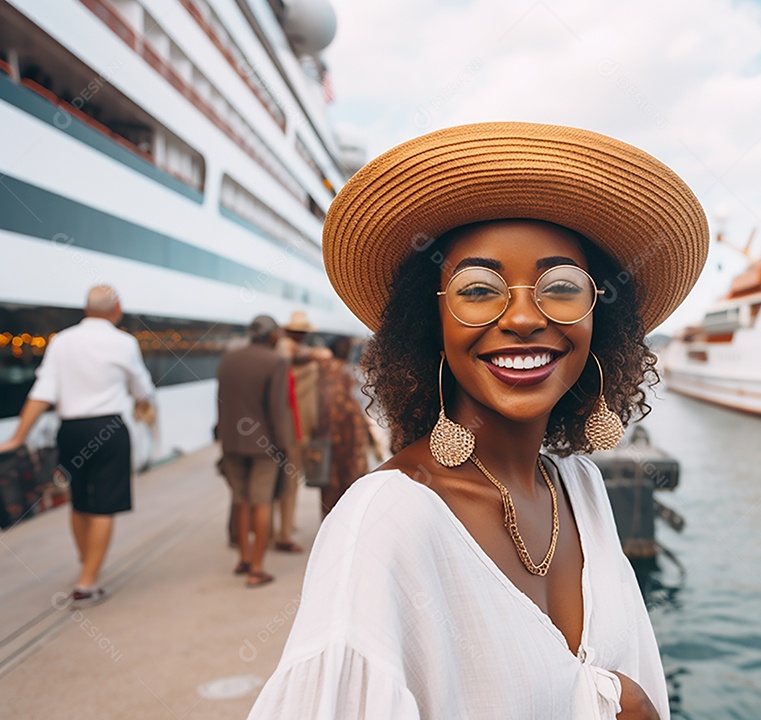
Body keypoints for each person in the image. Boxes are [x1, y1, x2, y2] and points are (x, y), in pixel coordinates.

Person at [246, 122, 709, 719]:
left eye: (561, 287)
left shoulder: (583, 488)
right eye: (478, 289)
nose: (523, 317)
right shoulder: (384, 523)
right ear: (431, 322)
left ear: (600, 316)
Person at [0, 286, 155, 606]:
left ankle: (88, 564)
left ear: (86, 309)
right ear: (117, 309)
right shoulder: (124, 342)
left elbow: (43, 391)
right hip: (109, 428)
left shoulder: (62, 341)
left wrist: (18, 436)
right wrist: (144, 402)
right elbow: (142, 389)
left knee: (80, 499)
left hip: (71, 431)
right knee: (105, 504)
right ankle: (87, 582)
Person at [216, 315, 295, 588]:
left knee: (241, 500)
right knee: (262, 502)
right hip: (264, 445)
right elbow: (277, 409)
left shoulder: (229, 358)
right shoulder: (276, 362)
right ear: (272, 335)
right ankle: (257, 569)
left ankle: (244, 558)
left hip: (231, 442)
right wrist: (284, 445)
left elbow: (221, 400)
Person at [273, 310, 330, 553]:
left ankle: (284, 526)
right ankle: (283, 533)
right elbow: (295, 356)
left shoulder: (295, 353)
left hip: (292, 426)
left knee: (288, 480)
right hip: (293, 428)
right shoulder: (288, 351)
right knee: (289, 481)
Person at [313, 336, 374, 516]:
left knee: (330, 484)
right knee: (349, 482)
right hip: (348, 436)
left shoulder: (323, 370)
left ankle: (329, 522)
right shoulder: (345, 372)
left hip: (327, 433)